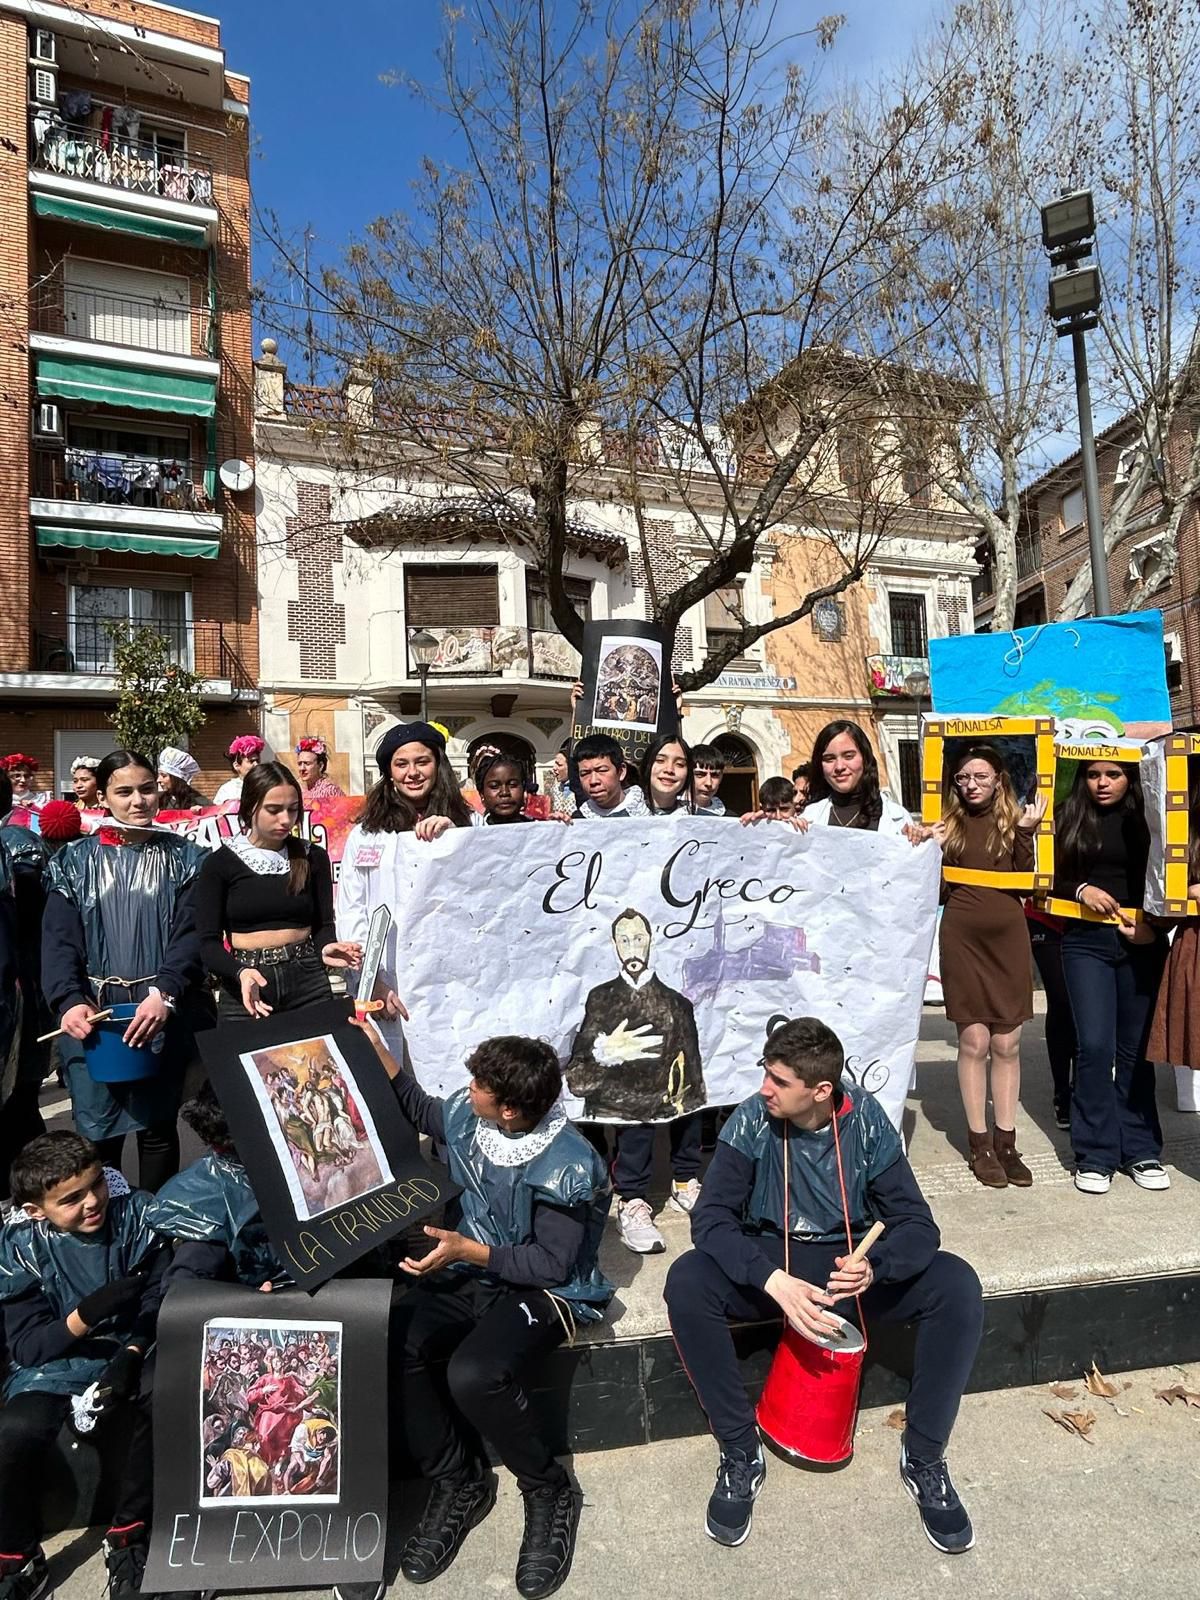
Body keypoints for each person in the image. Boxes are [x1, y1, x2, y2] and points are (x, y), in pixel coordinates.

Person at [664, 1018, 983, 1554]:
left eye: (779, 1081)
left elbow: (917, 1223)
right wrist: (770, 1279)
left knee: (957, 1285)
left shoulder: (866, 1122)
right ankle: (741, 1451)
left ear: (820, 1091)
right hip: (772, 1263)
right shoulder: (750, 1120)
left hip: (847, 1268)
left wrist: (876, 1265)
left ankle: (924, 1455)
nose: (765, 1088)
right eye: (766, 1074)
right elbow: (711, 1219)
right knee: (687, 1281)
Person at [374, 1027, 612, 1598]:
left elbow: (553, 1264)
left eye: (478, 1084)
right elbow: (418, 1105)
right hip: (472, 1270)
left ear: (509, 1108)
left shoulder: (567, 1163)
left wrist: (465, 1250)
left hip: (545, 1291)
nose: (467, 1089)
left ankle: (547, 1489)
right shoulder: (469, 1114)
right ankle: (458, 1482)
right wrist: (369, 1041)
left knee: (474, 1372)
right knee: (398, 1339)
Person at [0, 1132, 176, 1600]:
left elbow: (160, 1298)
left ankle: (127, 1538)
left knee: (158, 1400)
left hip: (138, 1347)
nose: (93, 1202)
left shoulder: (137, 1213)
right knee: (14, 1430)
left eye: (97, 1185)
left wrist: (131, 1353)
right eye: (71, 1199)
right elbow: (30, 1346)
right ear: (37, 1210)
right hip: (55, 1365)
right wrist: (87, 1313)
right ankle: (18, 1558)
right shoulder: (20, 1244)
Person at [41, 749, 209, 1191]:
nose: (138, 801)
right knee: (99, 1132)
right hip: (98, 1017)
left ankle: (156, 1224)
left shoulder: (187, 859)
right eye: (125, 791)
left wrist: (166, 992)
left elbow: (189, 935)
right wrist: (69, 1000)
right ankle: (112, 1231)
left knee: (157, 1127)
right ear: (104, 796)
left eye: (147, 789)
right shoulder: (73, 863)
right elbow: (59, 943)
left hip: (159, 1010)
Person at [932, 745, 1045, 1189]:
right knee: (974, 1041)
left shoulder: (1014, 819)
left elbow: (1026, 878)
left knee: (1007, 1044)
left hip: (1008, 938)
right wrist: (929, 851)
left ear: (998, 779)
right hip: (962, 936)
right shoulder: (948, 825)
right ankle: (979, 1142)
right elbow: (934, 892)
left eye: (979, 776)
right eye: (962, 778)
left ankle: (1007, 1143)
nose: (971, 785)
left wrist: (1025, 833)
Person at [1053, 759, 1167, 1194]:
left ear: (1130, 777)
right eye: (1093, 774)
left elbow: (1169, 878)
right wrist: (1081, 890)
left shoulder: (1152, 815)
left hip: (1141, 944)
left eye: (1113, 774)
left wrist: (1154, 928)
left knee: (1136, 1050)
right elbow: (1045, 873)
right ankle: (1096, 1153)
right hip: (1084, 943)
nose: (1102, 783)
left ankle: (1140, 1148)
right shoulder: (1067, 814)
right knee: (1095, 1047)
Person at [195, 761, 360, 1022]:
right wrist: (239, 973)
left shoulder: (312, 856)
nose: (286, 819)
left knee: (319, 1061)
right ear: (250, 807)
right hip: (246, 985)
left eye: (293, 810)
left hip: (308, 980)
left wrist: (326, 948)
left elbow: (323, 925)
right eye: (274, 810)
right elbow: (207, 942)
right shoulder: (219, 864)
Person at [337, 722, 473, 1021]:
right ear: (390, 773)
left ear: (438, 765)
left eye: (422, 762)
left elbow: (485, 890)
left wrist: (459, 840)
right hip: (388, 976)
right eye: (401, 764)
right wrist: (371, 981)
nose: (412, 773)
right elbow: (352, 908)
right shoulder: (367, 834)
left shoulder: (469, 823)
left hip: (454, 975)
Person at [803, 721, 925, 841]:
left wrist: (921, 841)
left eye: (849, 756)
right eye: (829, 759)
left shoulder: (898, 819)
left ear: (865, 758)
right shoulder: (808, 817)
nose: (839, 767)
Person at [1026, 904, 1076, 1130]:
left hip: (1091, 918)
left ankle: (1084, 1087)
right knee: (1061, 1000)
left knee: (1084, 1005)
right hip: (1045, 917)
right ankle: (1062, 1092)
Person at [472, 752, 565, 826]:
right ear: (482, 794)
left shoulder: (541, 830)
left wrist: (559, 829)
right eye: (494, 786)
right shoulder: (470, 835)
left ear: (524, 791)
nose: (504, 793)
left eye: (512, 785)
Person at [571, 734, 649, 819]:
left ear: (621, 772)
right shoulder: (579, 820)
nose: (593, 781)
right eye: (585, 773)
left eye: (602, 770)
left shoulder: (647, 809)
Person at [641, 733, 695, 816]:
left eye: (680, 764)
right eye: (660, 760)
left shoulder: (699, 821)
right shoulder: (621, 816)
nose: (669, 770)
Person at [214, 734, 265, 806]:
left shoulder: (266, 785)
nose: (256, 765)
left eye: (258, 761)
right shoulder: (227, 790)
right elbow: (217, 813)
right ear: (237, 766)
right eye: (251, 761)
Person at [157, 746, 209, 811]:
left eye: (164, 776)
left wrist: (204, 813)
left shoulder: (199, 802)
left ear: (177, 779)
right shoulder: (159, 802)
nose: (158, 780)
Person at [295, 737, 345, 801]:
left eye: (307, 763)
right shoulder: (297, 791)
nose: (302, 768)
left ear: (320, 766)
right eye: (299, 764)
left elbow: (346, 809)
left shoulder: (330, 791)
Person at [691, 745, 727, 816]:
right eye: (700, 774)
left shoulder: (730, 818)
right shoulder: (671, 814)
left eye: (715, 775)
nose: (709, 783)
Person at [544, 751, 576, 817]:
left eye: (559, 765)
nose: (554, 768)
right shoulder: (555, 789)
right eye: (555, 764)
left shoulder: (582, 790)